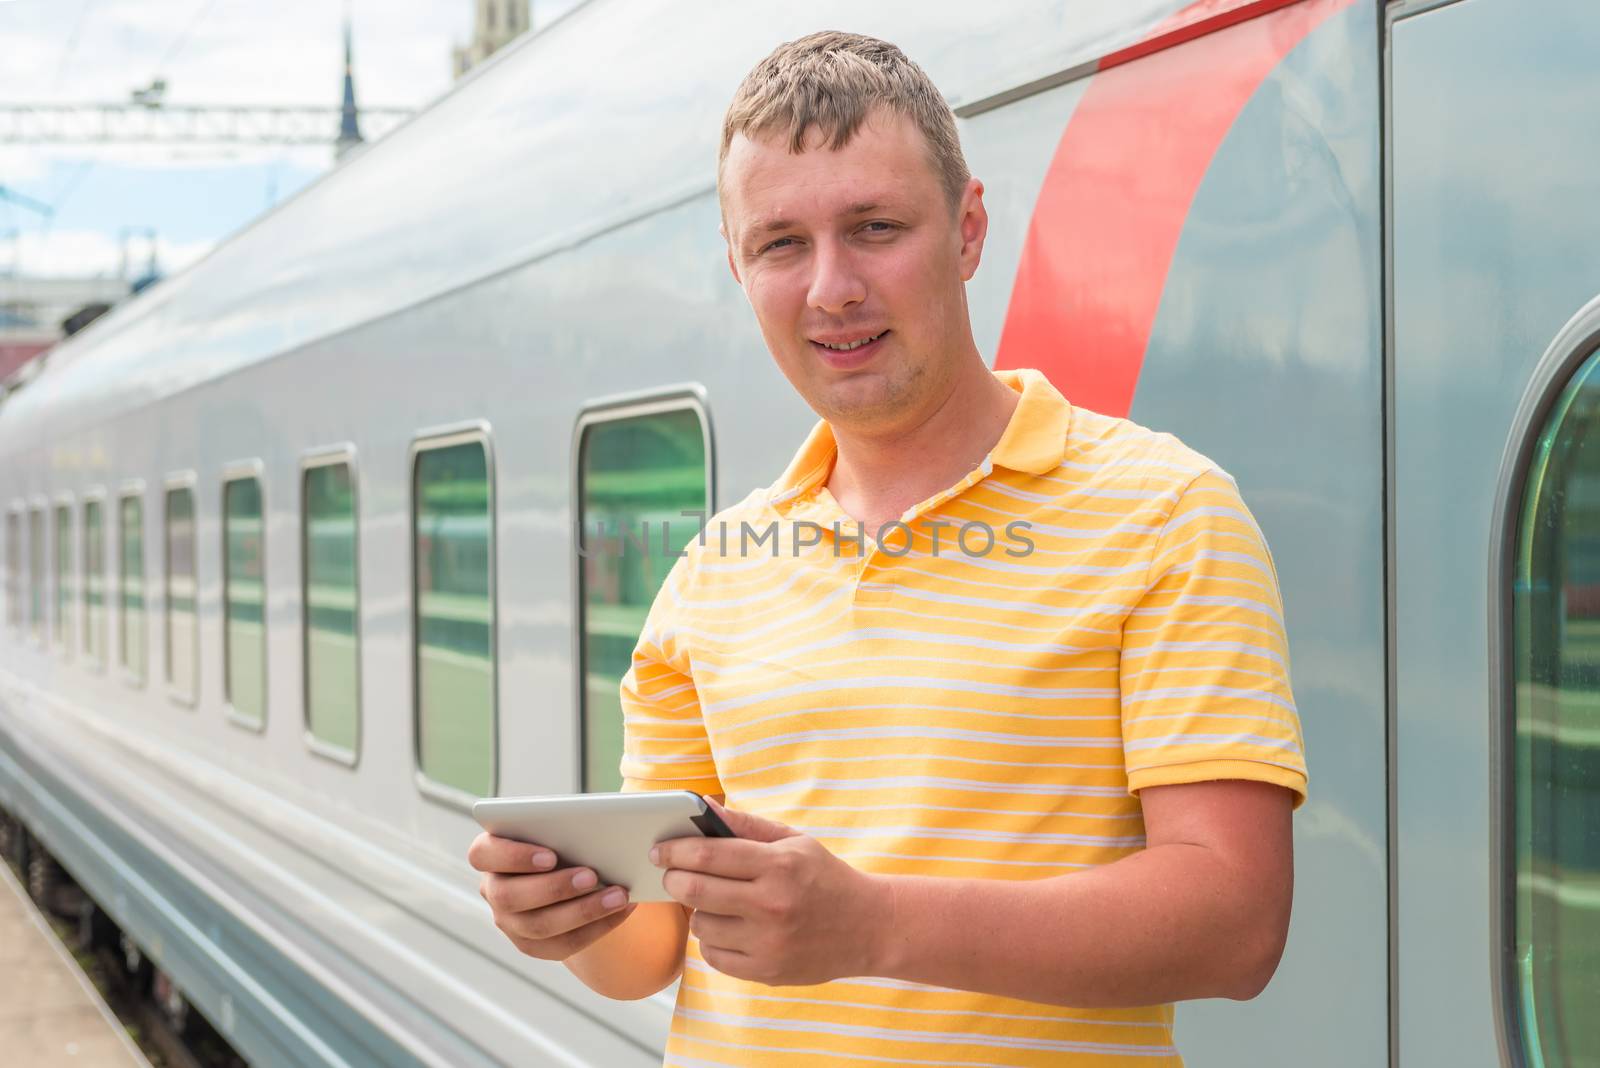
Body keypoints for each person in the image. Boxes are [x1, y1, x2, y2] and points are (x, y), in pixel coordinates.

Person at [469, 30, 1306, 1066]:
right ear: (737, 265)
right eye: (780, 243)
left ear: (966, 230)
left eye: (873, 227)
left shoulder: (1167, 512)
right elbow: (654, 951)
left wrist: (876, 926)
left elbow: (1234, 922)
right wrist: (575, 921)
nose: (831, 288)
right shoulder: (711, 572)